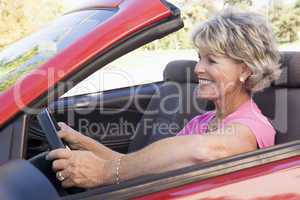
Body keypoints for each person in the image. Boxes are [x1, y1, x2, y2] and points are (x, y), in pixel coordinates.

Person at [47, 9, 281, 188]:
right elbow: (139, 166)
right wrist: (81, 142)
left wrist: (104, 172)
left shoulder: (251, 127)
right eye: (199, 57)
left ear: (245, 71)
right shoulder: (201, 122)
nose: (198, 68)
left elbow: (204, 152)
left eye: (212, 60)